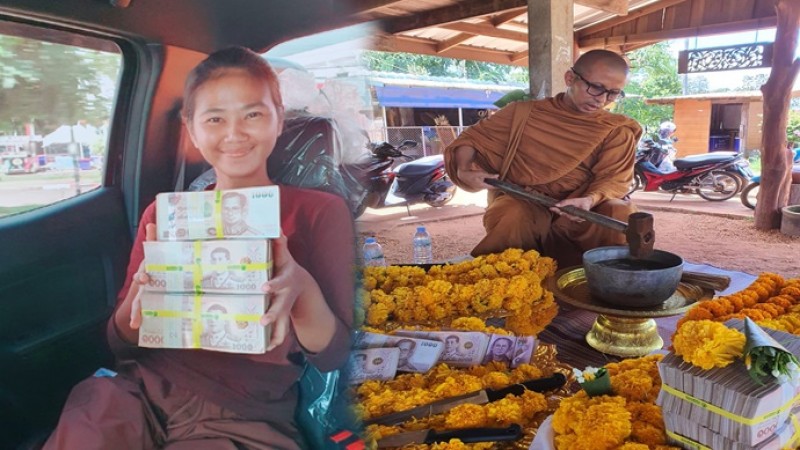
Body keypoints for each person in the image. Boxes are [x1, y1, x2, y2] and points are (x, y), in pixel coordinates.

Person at [43, 47, 356, 449]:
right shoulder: (165, 215)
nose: (234, 133)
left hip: (241, 412)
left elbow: (332, 354)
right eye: (214, 119)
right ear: (192, 130)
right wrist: (141, 298)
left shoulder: (319, 212)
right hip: (137, 391)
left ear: (279, 118)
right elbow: (120, 342)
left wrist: (300, 288)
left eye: (253, 114)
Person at [444, 49, 643, 268]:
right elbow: (471, 139)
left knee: (619, 211)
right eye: (595, 88)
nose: (602, 100)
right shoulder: (522, 114)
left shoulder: (615, 129)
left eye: (613, 93)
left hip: (581, 211)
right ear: (570, 78)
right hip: (526, 201)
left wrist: (589, 200)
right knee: (512, 212)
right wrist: (464, 169)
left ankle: (611, 282)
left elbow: (615, 180)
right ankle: (501, 285)